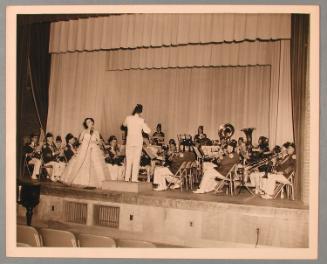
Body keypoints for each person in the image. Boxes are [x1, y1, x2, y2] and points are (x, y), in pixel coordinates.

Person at [61, 118, 108, 188]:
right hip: (84, 149)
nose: (88, 123)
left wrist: (94, 142)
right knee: (80, 163)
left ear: (92, 122)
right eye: (87, 122)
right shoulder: (84, 131)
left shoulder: (96, 132)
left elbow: (99, 141)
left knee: (95, 165)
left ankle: (95, 182)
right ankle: (80, 181)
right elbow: (79, 141)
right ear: (86, 124)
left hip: (94, 149)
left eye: (90, 122)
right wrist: (85, 142)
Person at [123, 104, 151, 182]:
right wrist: (144, 123)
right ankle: (134, 179)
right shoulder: (141, 120)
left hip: (130, 141)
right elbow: (148, 131)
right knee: (136, 160)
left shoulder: (128, 118)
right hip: (138, 141)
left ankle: (126, 178)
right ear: (141, 112)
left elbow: (124, 125)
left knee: (128, 160)